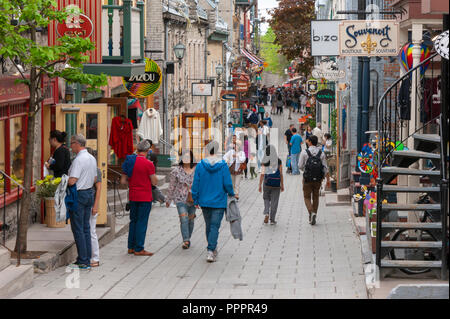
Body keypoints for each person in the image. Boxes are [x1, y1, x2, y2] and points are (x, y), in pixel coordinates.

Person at [191, 140, 235, 262]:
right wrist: (231, 193)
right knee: (215, 226)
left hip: (204, 201)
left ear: (207, 150)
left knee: (208, 225)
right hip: (219, 201)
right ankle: (211, 250)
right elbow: (227, 183)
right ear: (217, 151)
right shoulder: (223, 165)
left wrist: (195, 198)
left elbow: (196, 184)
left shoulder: (200, 165)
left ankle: (211, 248)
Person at [121, 140, 158, 256]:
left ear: (137, 149)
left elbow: (123, 181)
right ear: (148, 151)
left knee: (133, 221)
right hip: (145, 197)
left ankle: (130, 247)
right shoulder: (149, 164)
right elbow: (154, 181)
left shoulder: (129, 161)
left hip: (133, 195)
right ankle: (139, 248)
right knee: (142, 222)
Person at [67, 134, 98, 270]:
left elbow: (72, 180)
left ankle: (83, 260)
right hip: (89, 192)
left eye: (72, 143)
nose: (70, 146)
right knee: (86, 227)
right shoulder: (91, 158)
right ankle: (86, 258)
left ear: (77, 144)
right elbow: (95, 178)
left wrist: (64, 180)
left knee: (78, 228)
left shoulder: (78, 160)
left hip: (79, 194)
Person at [166, 150, 197, 249]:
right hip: (180, 198)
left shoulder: (197, 170)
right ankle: (186, 240)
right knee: (184, 219)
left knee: (191, 220)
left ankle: (188, 236)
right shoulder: (176, 171)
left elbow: (201, 184)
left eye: (188, 157)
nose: (186, 159)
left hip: (193, 199)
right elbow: (172, 186)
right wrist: (168, 199)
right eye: (184, 157)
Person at [299, 135, 331, 225]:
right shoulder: (321, 153)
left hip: (307, 179)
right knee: (316, 197)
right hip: (318, 179)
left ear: (309, 142)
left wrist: (305, 171)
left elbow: (300, 166)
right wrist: (327, 180)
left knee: (307, 197)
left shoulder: (304, 152)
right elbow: (325, 168)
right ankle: (314, 214)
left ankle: (311, 212)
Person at [259, 145, 284, 225]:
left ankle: (266, 212)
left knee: (266, 198)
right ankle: (272, 220)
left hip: (267, 183)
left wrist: (259, 185)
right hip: (276, 184)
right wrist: (282, 184)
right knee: (274, 201)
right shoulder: (279, 161)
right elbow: (281, 174)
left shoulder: (264, 161)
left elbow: (262, 174)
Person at [86, 148, 101, 267]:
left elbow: (99, 188)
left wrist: (96, 205)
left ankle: (95, 257)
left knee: (91, 231)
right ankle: (87, 255)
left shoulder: (96, 170)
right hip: (85, 202)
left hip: (91, 203)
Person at [223, 136, 246, 200]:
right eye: (235, 145)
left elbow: (243, 160)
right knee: (232, 183)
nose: (236, 146)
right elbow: (224, 157)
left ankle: (237, 194)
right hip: (231, 170)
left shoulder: (242, 153)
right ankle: (232, 194)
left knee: (237, 184)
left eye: (238, 145)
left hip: (238, 170)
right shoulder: (231, 152)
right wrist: (227, 159)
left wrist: (237, 156)